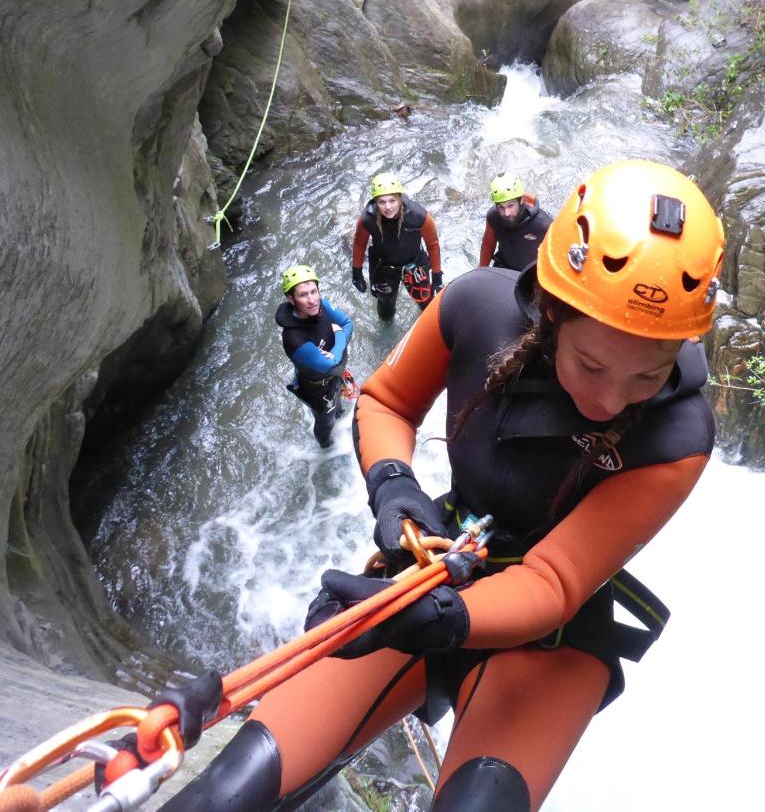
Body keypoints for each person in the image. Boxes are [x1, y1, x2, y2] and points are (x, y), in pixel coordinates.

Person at [161, 159, 725, 811]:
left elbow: (554, 583)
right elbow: (388, 402)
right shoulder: (477, 308)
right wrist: (395, 484)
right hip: (434, 567)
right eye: (591, 364)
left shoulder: (679, 433)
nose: (608, 401)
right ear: (551, 313)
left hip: (551, 635)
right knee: (225, 794)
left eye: (646, 379)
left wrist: (441, 616)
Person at [278, 264, 353, 449]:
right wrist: (339, 335)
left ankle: (341, 417)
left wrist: (337, 344)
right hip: (317, 389)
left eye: (314, 291)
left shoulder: (322, 306)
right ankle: (327, 448)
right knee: (325, 421)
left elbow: (348, 322)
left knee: (339, 407)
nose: (312, 300)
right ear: (291, 299)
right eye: (303, 295)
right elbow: (333, 364)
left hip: (333, 376)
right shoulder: (294, 338)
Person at [350, 172, 443, 321]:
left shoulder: (419, 216)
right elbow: (359, 244)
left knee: (426, 302)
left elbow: (433, 245)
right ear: (375, 202)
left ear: (400, 198)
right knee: (385, 310)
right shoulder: (367, 219)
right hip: (384, 265)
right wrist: (356, 272)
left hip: (415, 262)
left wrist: (437, 277)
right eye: (382, 202)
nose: (388, 207)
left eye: (392, 201)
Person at [476, 173, 552, 271]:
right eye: (501, 207)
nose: (506, 213)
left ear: (521, 201)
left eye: (510, 206)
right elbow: (487, 246)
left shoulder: (543, 225)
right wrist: (481, 271)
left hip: (530, 275)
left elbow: (554, 258)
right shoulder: (493, 217)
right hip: (503, 267)